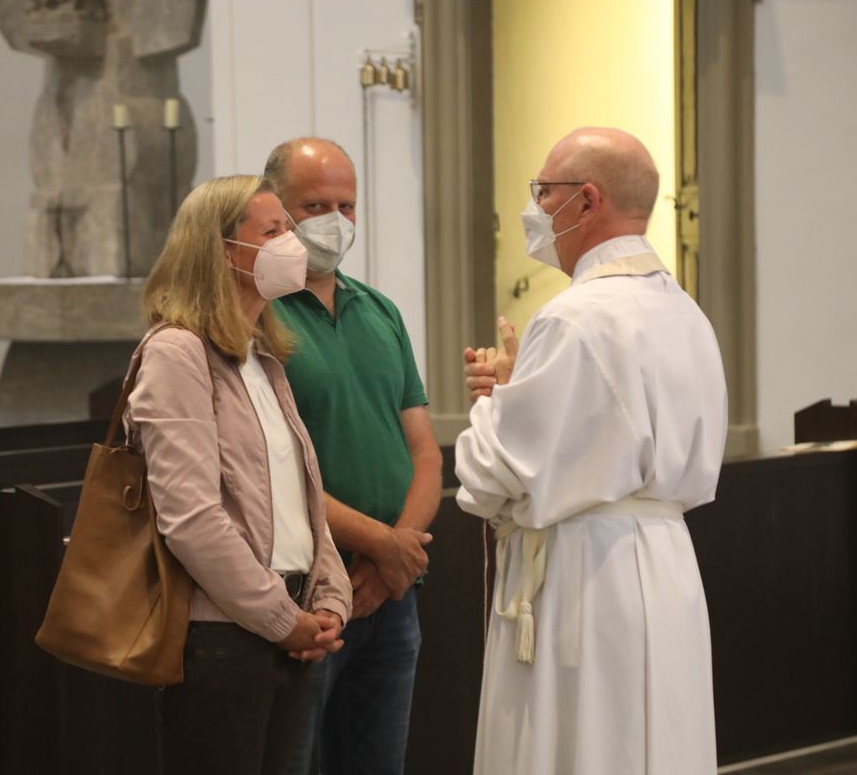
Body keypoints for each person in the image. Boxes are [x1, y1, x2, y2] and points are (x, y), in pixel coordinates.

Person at [456, 127, 728, 774]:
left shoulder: (574, 316)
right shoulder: (685, 311)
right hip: (665, 564)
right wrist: (522, 391)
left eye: (542, 192)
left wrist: (495, 401)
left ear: (586, 200)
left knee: (586, 746)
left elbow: (491, 476)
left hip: (585, 575)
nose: (534, 208)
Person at [126, 174, 353, 775]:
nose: (293, 244)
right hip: (222, 637)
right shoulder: (178, 352)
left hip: (286, 626)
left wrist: (330, 598)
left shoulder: (261, 356)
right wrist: (282, 620)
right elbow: (191, 519)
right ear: (224, 251)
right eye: (273, 231)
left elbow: (302, 497)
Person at [265, 138, 443, 775]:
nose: (334, 221)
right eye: (315, 205)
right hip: (303, 593)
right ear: (276, 209)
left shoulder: (380, 310)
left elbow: (424, 453)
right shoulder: (256, 316)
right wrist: (382, 548)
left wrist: (395, 557)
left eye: (347, 206)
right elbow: (271, 473)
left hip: (390, 594)